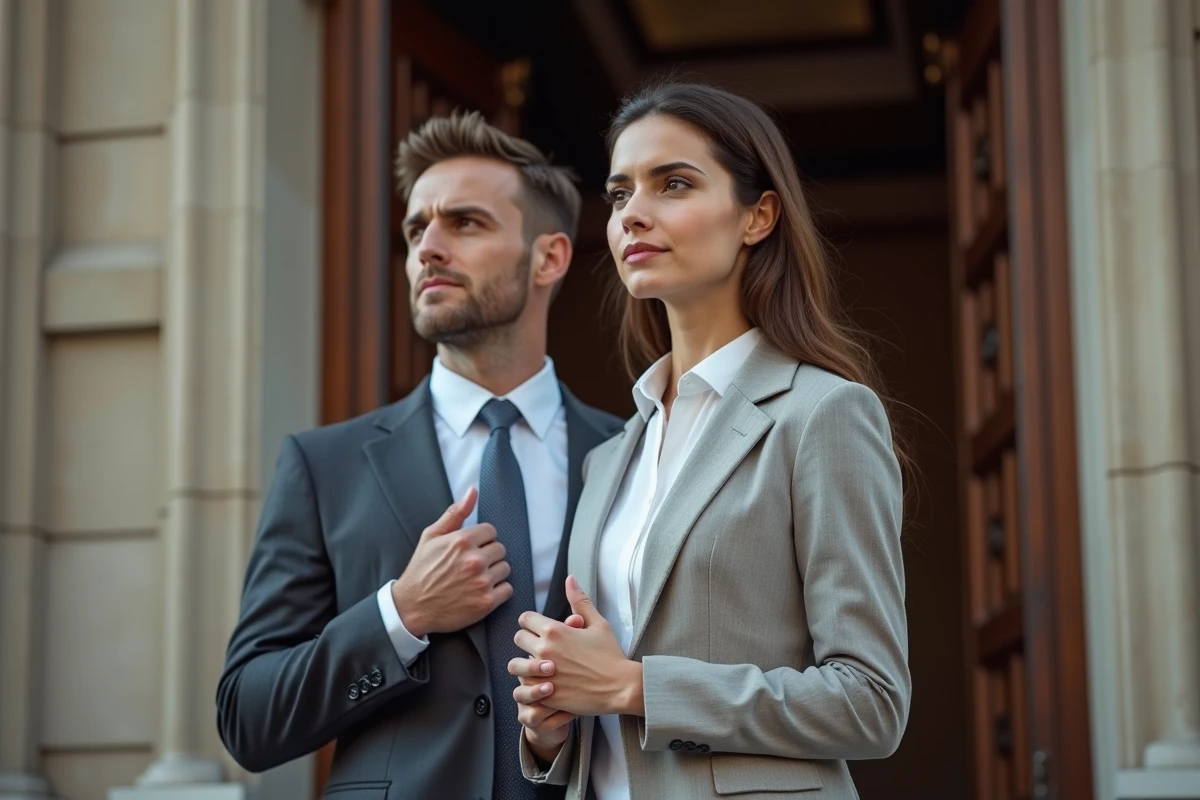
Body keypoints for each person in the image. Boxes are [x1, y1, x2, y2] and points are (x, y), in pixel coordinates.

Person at [509, 82, 911, 800]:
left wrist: (636, 687)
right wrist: (550, 725)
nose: (634, 213)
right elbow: (600, 705)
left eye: (674, 184)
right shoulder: (611, 456)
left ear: (758, 216)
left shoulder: (822, 414)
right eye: (621, 191)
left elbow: (871, 701)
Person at [216, 111, 622, 800]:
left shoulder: (629, 453)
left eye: (465, 223)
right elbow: (249, 718)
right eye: (416, 229)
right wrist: (401, 613)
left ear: (549, 257)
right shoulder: (324, 467)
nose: (428, 248)